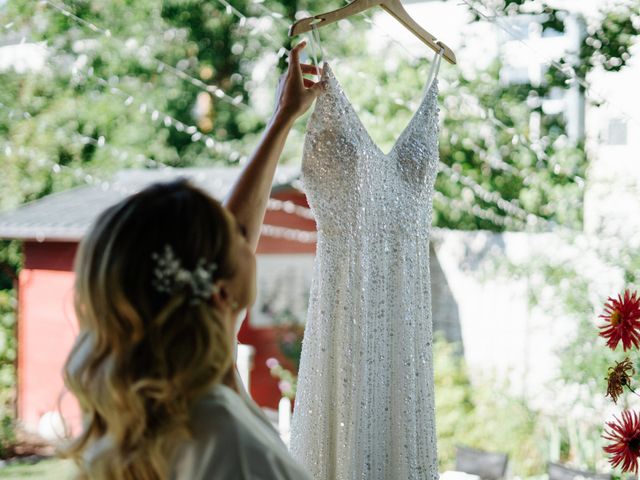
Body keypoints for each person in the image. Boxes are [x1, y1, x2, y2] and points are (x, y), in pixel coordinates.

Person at [57, 40, 325, 480]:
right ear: (218, 292)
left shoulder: (158, 406)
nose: (246, 237)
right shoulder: (228, 445)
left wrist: (283, 120)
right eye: (235, 240)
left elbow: (230, 230)